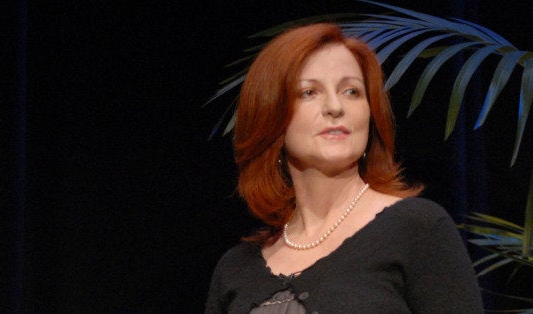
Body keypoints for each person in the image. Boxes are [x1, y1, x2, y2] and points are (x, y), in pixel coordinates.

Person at [205, 23, 483, 313]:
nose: (335, 107)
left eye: (352, 91)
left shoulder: (417, 228)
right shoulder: (236, 268)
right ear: (271, 116)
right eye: (309, 92)